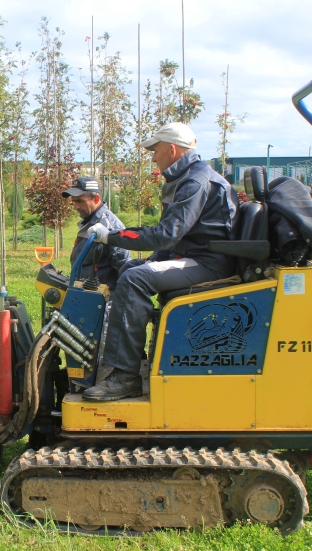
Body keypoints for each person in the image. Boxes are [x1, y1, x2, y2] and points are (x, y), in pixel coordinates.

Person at [83, 122, 238, 401]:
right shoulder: (190, 177)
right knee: (131, 268)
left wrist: (111, 236)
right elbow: (178, 235)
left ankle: (125, 377)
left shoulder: (195, 181)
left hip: (207, 264)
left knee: (134, 277)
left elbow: (167, 235)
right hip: (194, 256)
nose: (153, 157)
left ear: (172, 149)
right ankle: (128, 357)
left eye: (155, 150)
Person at [63, 176, 130, 291]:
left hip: (100, 299)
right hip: (83, 292)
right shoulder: (90, 223)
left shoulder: (110, 227)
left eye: (80, 201)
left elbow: (124, 269)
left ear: (96, 198)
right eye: (73, 202)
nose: (76, 207)